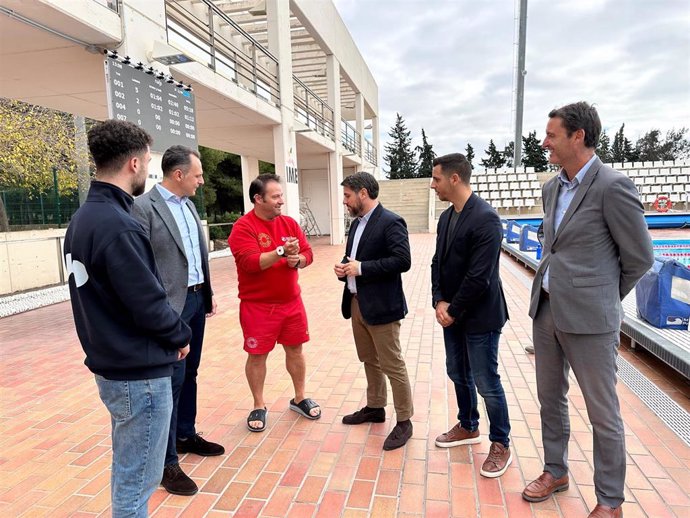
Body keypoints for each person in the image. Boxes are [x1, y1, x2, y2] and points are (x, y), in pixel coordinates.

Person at [522, 102, 654, 518]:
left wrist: (600, 297)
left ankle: (610, 500)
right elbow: (554, 247)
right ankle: (555, 471)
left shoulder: (613, 186)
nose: (545, 142)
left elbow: (639, 257)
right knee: (549, 398)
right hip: (547, 310)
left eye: (552, 135)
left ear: (578, 137)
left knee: (602, 412)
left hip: (591, 320)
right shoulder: (551, 187)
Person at [64, 120, 191, 517]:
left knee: (129, 473)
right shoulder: (119, 225)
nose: (148, 171)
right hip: (139, 375)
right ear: (134, 163)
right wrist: (179, 334)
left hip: (114, 367)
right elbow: (148, 303)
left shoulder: (83, 219)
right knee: (138, 485)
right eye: (149, 163)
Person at [133, 145, 224, 496]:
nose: (202, 181)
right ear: (179, 174)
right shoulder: (143, 208)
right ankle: (167, 462)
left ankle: (186, 433)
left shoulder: (187, 207)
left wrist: (208, 292)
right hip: (170, 307)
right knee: (170, 381)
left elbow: (195, 257)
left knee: (192, 372)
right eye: (198, 175)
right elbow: (142, 267)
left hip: (197, 299)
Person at [430, 153, 512, 478]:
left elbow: (480, 277)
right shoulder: (446, 217)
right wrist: (439, 300)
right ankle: (468, 424)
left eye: (436, 179)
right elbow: (438, 262)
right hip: (452, 312)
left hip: (480, 316)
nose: (432, 184)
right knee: (456, 371)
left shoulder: (486, 218)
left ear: (454, 179)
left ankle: (501, 442)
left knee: (486, 380)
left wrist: (453, 309)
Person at [228, 173, 320, 432]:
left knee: (296, 350)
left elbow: (308, 253)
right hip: (258, 307)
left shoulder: (289, 224)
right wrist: (282, 252)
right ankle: (258, 404)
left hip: (291, 303)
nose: (281, 201)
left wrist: (297, 260)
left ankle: (300, 397)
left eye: (281, 195)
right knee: (257, 356)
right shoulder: (243, 227)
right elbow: (250, 263)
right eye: (275, 196)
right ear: (258, 199)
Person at [334, 172, 414, 451]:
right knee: (369, 359)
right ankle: (375, 407)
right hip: (357, 303)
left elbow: (403, 261)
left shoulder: (391, 221)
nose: (345, 201)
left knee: (392, 364)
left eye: (347, 195)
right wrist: (344, 269)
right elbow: (353, 259)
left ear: (363, 193)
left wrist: (362, 268)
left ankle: (404, 420)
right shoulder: (356, 225)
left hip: (382, 307)